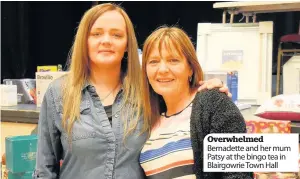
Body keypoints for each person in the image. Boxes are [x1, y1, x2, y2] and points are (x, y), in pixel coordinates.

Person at [34, 3, 231, 179]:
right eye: (96, 34)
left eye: (117, 35)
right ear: (84, 41)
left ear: (128, 44)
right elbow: (44, 168)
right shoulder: (58, 92)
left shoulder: (147, 89)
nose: (106, 40)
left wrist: (209, 91)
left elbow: (181, 95)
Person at [139, 26, 253, 179]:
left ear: (191, 68)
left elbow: (238, 174)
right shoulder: (148, 118)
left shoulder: (214, 104)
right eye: (153, 62)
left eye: (173, 60)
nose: (163, 69)